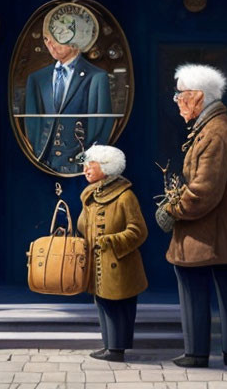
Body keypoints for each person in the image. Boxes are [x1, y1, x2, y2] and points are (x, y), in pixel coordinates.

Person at [160, 64, 227, 369]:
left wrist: (170, 210)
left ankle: (197, 354)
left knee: (193, 290)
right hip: (223, 230)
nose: (176, 101)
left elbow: (203, 192)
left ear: (197, 97)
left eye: (180, 95)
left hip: (204, 234)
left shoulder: (214, 134)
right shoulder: (220, 129)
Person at [77, 144, 148, 363]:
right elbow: (83, 226)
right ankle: (109, 345)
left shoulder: (125, 197)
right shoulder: (91, 196)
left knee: (118, 307)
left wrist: (112, 241)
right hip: (98, 263)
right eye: (85, 165)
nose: (86, 170)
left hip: (119, 264)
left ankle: (117, 349)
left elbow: (138, 231)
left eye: (91, 165)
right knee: (103, 304)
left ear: (106, 168)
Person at [24, 6, 113, 175]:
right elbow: (32, 126)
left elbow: (101, 128)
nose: (49, 43)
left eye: (57, 35)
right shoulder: (37, 79)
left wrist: (83, 164)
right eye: (46, 38)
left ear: (77, 38)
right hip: (43, 167)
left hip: (81, 170)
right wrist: (40, 160)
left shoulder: (97, 77)